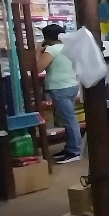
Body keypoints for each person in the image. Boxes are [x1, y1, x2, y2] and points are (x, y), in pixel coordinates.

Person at [36, 24, 81, 164]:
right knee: (69, 119)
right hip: (71, 86)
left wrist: (37, 51)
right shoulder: (69, 48)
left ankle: (75, 151)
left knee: (69, 120)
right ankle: (70, 148)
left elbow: (38, 68)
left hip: (59, 88)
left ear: (47, 38)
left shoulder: (52, 49)